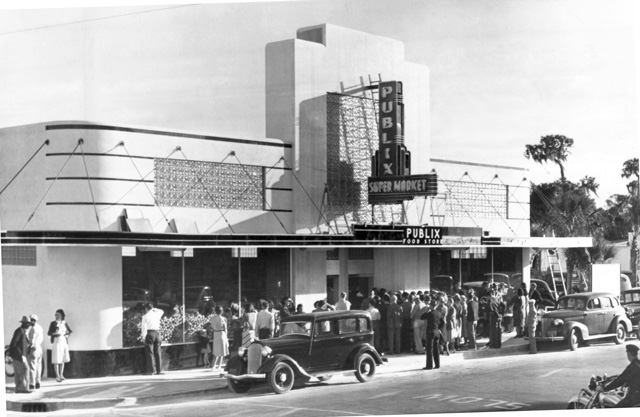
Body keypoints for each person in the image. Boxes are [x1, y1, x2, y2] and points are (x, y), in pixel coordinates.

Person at [47, 309, 72, 382]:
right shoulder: (53, 323)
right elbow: (49, 333)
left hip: (63, 341)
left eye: (57, 314)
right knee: (56, 359)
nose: (56, 316)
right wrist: (54, 333)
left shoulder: (64, 323)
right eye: (55, 315)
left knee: (62, 359)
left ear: (61, 315)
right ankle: (57, 376)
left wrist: (67, 336)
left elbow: (69, 331)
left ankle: (61, 374)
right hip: (56, 341)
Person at [9, 316, 32, 393]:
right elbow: (14, 342)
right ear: (24, 323)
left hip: (20, 355)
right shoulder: (19, 331)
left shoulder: (23, 331)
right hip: (18, 355)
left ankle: (18, 388)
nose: (29, 325)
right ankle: (24, 388)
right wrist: (13, 353)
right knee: (26, 369)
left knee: (19, 371)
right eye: (28, 323)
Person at [141, 303, 164, 375]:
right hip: (157, 333)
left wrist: (143, 337)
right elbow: (162, 311)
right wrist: (155, 309)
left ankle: (151, 371)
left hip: (150, 333)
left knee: (150, 352)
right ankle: (159, 370)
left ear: (146, 309)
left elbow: (144, 328)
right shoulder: (157, 314)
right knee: (158, 352)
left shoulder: (145, 316)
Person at [422, 298, 444, 370]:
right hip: (437, 331)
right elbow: (443, 323)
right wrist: (438, 328)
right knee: (436, 348)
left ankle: (429, 365)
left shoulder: (430, 313)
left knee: (429, 348)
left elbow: (421, 317)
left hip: (430, 332)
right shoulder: (438, 313)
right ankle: (437, 364)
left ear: (431, 306)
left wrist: (426, 311)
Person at [210, 305, 229, 372]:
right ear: (221, 311)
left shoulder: (212, 319)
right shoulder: (223, 319)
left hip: (215, 334)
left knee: (216, 351)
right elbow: (225, 329)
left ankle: (214, 366)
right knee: (222, 351)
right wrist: (226, 337)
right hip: (222, 334)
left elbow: (212, 326)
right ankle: (219, 366)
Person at [27, 314, 44, 390]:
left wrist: (30, 346)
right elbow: (42, 338)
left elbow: (32, 340)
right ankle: (38, 383)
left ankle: (32, 384)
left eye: (30, 320)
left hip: (34, 348)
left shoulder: (33, 329)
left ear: (33, 320)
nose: (30, 322)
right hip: (39, 348)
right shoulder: (40, 327)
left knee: (32, 366)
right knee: (38, 366)